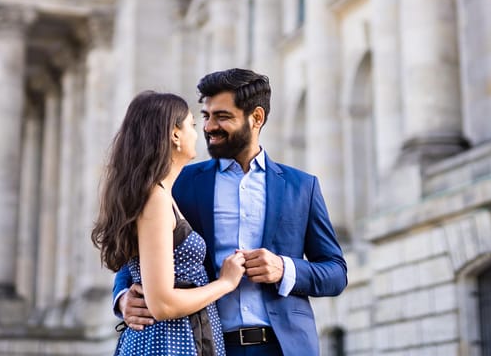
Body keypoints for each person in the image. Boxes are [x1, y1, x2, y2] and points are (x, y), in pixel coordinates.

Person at [114, 69, 347, 355]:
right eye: (206, 115)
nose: (209, 126)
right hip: (205, 343)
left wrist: (284, 269)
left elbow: (335, 272)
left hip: (283, 346)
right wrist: (123, 297)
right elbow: (137, 253)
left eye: (222, 116)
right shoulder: (180, 184)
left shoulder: (301, 187)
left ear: (256, 118)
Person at [92, 91, 247, 355]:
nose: (199, 134)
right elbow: (162, 304)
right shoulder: (156, 200)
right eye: (192, 126)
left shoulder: (161, 196)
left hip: (177, 338)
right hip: (168, 343)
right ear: (175, 135)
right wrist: (226, 283)